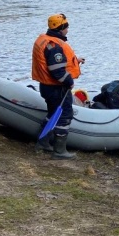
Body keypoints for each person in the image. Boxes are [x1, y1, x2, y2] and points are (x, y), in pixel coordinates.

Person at [31, 13, 85, 160]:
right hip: (57, 88)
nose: (67, 30)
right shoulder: (54, 45)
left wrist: (76, 61)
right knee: (65, 116)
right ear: (60, 28)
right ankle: (59, 151)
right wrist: (69, 81)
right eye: (66, 27)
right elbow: (57, 71)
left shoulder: (44, 40)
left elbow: (56, 63)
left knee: (52, 114)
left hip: (47, 87)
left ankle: (43, 143)